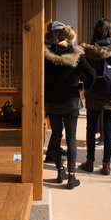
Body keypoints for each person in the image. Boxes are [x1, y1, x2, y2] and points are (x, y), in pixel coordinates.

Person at [44, 25, 96, 189]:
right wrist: (83, 86)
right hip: (71, 102)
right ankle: (71, 177)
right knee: (71, 138)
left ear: (58, 37)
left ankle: (60, 171)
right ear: (72, 39)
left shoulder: (46, 53)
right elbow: (92, 74)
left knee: (56, 136)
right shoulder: (76, 54)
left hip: (52, 101)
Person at [80, 18, 111, 175]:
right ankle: (106, 165)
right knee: (108, 127)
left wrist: (86, 87)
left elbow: (85, 74)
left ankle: (90, 162)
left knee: (91, 127)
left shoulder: (90, 52)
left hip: (94, 93)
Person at [44, 21, 67, 164]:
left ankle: (55, 147)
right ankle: (52, 153)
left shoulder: (55, 48)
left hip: (57, 91)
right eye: (60, 33)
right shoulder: (48, 49)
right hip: (51, 91)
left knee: (60, 123)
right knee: (58, 124)